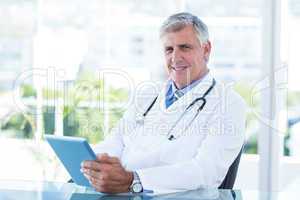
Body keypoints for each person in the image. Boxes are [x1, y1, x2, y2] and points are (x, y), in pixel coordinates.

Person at [81, 12, 246, 194]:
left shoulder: (229, 104)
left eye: (185, 47)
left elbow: (206, 173)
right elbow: (116, 141)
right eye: (169, 49)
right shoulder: (148, 95)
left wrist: (134, 180)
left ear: (206, 49)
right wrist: (93, 164)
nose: (175, 58)